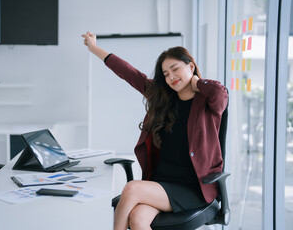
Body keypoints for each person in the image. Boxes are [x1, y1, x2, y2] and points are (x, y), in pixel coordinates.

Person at [82, 32, 228, 230]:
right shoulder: (163, 98)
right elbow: (129, 73)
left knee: (132, 188)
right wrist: (94, 49)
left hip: (193, 187)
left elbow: (220, 93)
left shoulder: (207, 102)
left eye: (175, 69)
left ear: (191, 66)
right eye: (166, 74)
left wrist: (196, 83)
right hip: (161, 182)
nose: (171, 77)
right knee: (137, 219)